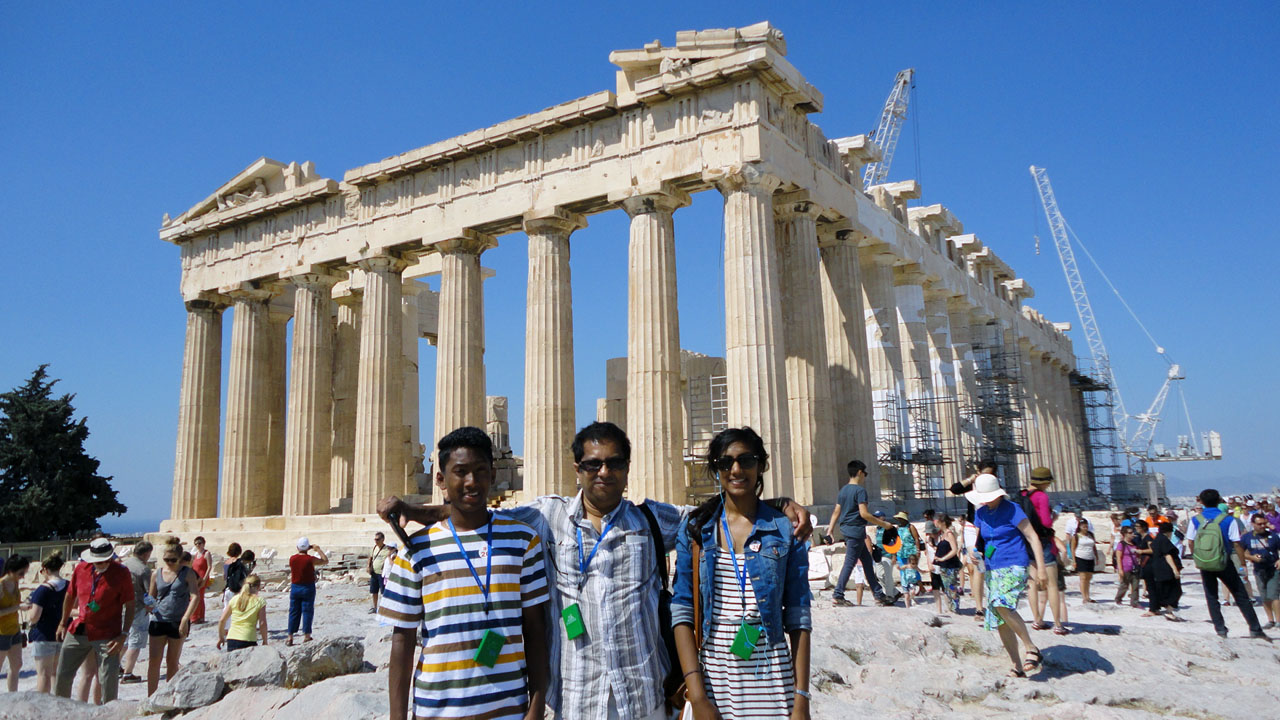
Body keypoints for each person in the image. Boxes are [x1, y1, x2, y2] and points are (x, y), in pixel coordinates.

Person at [378, 421, 811, 720]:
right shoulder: (547, 517)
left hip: (643, 689)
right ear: (577, 470)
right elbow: (474, 511)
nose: (604, 472)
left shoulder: (652, 519)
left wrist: (777, 504)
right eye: (593, 465)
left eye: (615, 463)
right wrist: (415, 511)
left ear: (626, 469)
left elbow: (716, 512)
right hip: (577, 692)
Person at [380, 426, 549, 720]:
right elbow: (402, 640)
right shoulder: (415, 550)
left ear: (493, 475)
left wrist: (535, 709)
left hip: (508, 711)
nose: (472, 482)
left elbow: (536, 631)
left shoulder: (524, 541)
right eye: (461, 472)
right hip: (437, 710)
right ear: (441, 479)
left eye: (481, 471)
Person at [673, 427, 811, 720]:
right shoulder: (696, 530)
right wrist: (697, 697)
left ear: (761, 465)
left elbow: (799, 617)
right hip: (714, 681)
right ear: (716, 469)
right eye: (726, 463)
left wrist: (802, 700)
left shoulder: (786, 529)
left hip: (773, 681)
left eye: (746, 460)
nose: (736, 469)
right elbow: (682, 611)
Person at [967, 473, 1047, 678]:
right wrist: (973, 553)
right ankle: (1017, 666)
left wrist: (1041, 568)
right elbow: (980, 541)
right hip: (992, 568)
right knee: (1000, 618)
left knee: (1001, 604)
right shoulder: (981, 513)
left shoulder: (1013, 509)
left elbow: (1033, 537)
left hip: (1014, 564)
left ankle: (1031, 648)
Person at [54, 538, 135, 703]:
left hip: (107, 632)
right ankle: (60, 711)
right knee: (63, 674)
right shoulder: (81, 569)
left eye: (105, 560)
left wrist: (124, 634)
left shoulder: (121, 573)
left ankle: (109, 712)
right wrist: (63, 622)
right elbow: (70, 596)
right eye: (98, 561)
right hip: (79, 629)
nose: (102, 563)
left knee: (108, 679)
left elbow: (130, 604)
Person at [1185, 488, 1267, 639]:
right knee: (1240, 594)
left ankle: (1220, 629)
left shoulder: (1196, 519)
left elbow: (1190, 541)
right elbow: (1236, 543)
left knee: (1211, 595)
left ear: (1201, 502)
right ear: (1219, 501)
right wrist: (1242, 564)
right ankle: (1255, 628)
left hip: (1205, 561)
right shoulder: (1227, 519)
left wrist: (1198, 557)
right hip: (1224, 561)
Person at [829, 459, 895, 607]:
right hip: (856, 530)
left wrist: (830, 530)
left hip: (847, 529)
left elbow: (836, 512)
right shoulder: (860, 491)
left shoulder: (843, 490)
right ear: (859, 472)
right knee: (850, 563)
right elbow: (864, 514)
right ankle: (838, 594)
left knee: (867, 563)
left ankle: (879, 595)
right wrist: (884, 524)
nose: (865, 476)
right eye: (865, 473)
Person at [146, 543, 201, 696]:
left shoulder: (187, 573)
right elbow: (151, 596)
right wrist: (148, 605)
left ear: (179, 559)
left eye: (172, 560)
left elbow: (195, 595)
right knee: (154, 661)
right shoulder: (156, 574)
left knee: (172, 661)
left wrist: (185, 619)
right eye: (166, 559)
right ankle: (151, 696)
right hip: (158, 620)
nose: (169, 563)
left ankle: (168, 696)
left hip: (178, 620)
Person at [1022, 467, 1066, 635]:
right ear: (1046, 482)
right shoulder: (1042, 496)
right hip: (1043, 541)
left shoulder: (1023, 495)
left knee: (1032, 584)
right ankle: (1057, 623)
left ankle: (1037, 620)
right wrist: (1054, 515)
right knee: (1052, 584)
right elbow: (1047, 523)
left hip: (1027, 541)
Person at [25, 550, 68, 693]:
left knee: (43, 675)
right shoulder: (68, 585)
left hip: (44, 634)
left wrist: (28, 610)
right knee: (56, 673)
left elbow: (34, 617)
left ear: (44, 569)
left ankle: (43, 708)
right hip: (63, 633)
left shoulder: (42, 590)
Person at [119, 541, 154, 684]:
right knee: (135, 641)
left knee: (124, 639)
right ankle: (128, 674)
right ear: (146, 553)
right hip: (138, 608)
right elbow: (149, 592)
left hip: (121, 607)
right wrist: (153, 608)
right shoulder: (143, 570)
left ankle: (116, 666)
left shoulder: (123, 566)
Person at [287, 538, 328, 646]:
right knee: (307, 611)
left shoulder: (292, 559)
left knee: (293, 611)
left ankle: (290, 636)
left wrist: (305, 549)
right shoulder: (310, 559)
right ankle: (306, 635)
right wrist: (317, 549)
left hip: (295, 587)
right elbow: (325, 560)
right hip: (308, 587)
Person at [1242, 513, 1280, 629]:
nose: (1262, 526)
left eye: (1264, 523)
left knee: (1273, 594)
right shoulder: (1247, 537)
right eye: (1259, 524)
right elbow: (1242, 552)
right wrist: (1252, 558)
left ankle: (1278, 620)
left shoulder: (1273, 536)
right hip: (1259, 569)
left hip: (1273, 568)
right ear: (1253, 524)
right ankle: (1270, 620)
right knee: (1264, 596)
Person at [1, 554, 31, 692]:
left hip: (14, 630)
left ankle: (12, 697)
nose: (23, 576)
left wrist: (23, 604)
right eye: (21, 573)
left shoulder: (15, 583)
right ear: (11, 570)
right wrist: (18, 607)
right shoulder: (1, 585)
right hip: (1, 633)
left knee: (17, 665)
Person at [217, 574, 268, 651]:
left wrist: (221, 637)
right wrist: (265, 640)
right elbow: (262, 623)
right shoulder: (259, 601)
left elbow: (222, 620)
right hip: (248, 638)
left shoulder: (234, 599)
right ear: (258, 587)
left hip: (232, 638)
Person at [1145, 522, 1183, 621]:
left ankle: (1160, 609)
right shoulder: (1164, 540)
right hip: (1166, 569)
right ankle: (1169, 611)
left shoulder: (1157, 539)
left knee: (1164, 590)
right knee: (1175, 591)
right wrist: (1175, 570)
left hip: (1158, 569)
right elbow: (1167, 555)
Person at [933, 514, 963, 614]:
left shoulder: (949, 534)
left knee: (952, 587)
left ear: (943, 523)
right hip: (944, 565)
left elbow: (954, 550)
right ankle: (951, 606)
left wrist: (943, 558)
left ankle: (955, 607)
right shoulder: (943, 534)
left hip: (950, 565)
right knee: (946, 587)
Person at [1114, 526, 1141, 607]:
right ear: (1124, 534)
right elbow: (1118, 557)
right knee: (1124, 585)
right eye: (1129, 533)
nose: (1132, 534)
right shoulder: (1121, 544)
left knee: (1135, 586)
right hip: (1126, 567)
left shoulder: (1135, 544)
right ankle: (1118, 598)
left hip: (1135, 567)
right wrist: (1120, 569)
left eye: (1132, 532)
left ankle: (1134, 602)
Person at [368, 531, 394, 614]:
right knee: (373, 591)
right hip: (374, 573)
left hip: (382, 573)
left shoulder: (387, 549)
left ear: (383, 539)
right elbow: (371, 557)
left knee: (383, 592)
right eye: (375, 539)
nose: (376, 541)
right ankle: (375, 607)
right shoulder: (374, 547)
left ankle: (384, 608)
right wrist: (368, 566)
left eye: (378, 539)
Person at [1071, 523, 1097, 604]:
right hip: (1080, 557)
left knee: (1089, 577)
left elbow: (1094, 546)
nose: (1085, 528)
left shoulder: (1090, 535)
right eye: (1083, 526)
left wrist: (1096, 556)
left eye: (1086, 526)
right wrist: (1074, 560)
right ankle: (1084, 597)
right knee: (1083, 577)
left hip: (1090, 557)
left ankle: (1088, 596)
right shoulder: (1076, 536)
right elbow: (1073, 548)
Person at [189, 536, 212, 624]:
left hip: (203, 577)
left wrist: (205, 579)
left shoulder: (207, 553)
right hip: (195, 578)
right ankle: (196, 616)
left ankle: (198, 617)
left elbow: (209, 567)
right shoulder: (196, 554)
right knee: (196, 597)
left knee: (199, 597)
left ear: (203, 543)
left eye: (199, 543)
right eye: (196, 544)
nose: (198, 545)